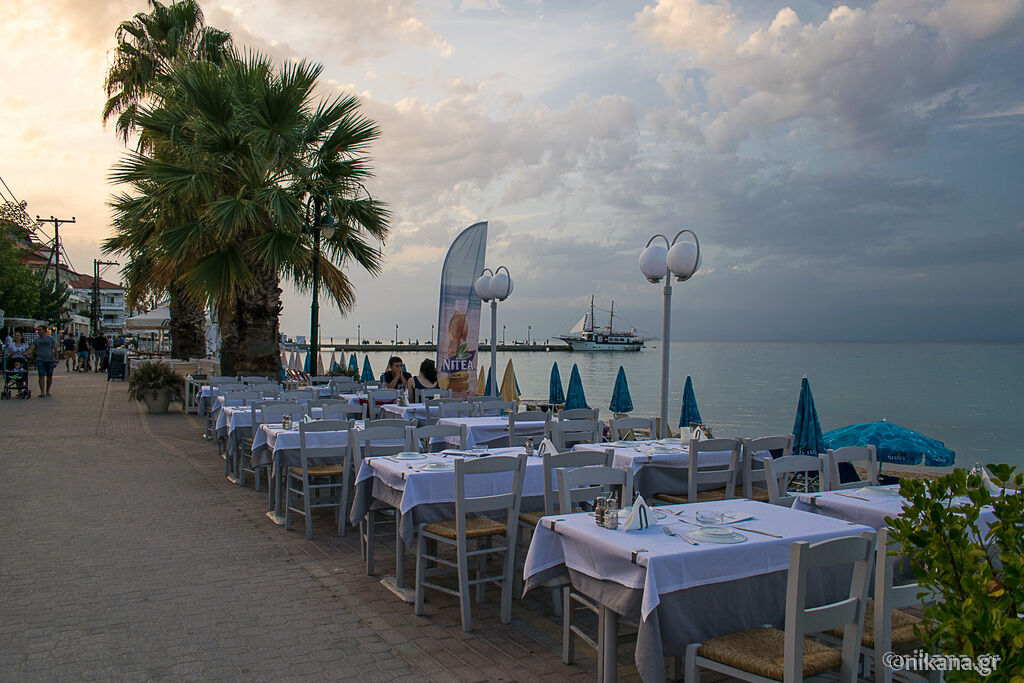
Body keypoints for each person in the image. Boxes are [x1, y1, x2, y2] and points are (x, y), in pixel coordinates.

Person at [28, 324, 58, 397]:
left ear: (45, 331)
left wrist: (56, 358)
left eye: (40, 330)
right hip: (40, 360)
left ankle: (47, 390)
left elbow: (55, 349)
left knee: (49, 376)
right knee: (41, 375)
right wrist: (27, 353)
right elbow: (32, 348)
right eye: (37, 330)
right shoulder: (36, 340)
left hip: (50, 360)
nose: (38, 331)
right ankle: (42, 391)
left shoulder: (51, 339)